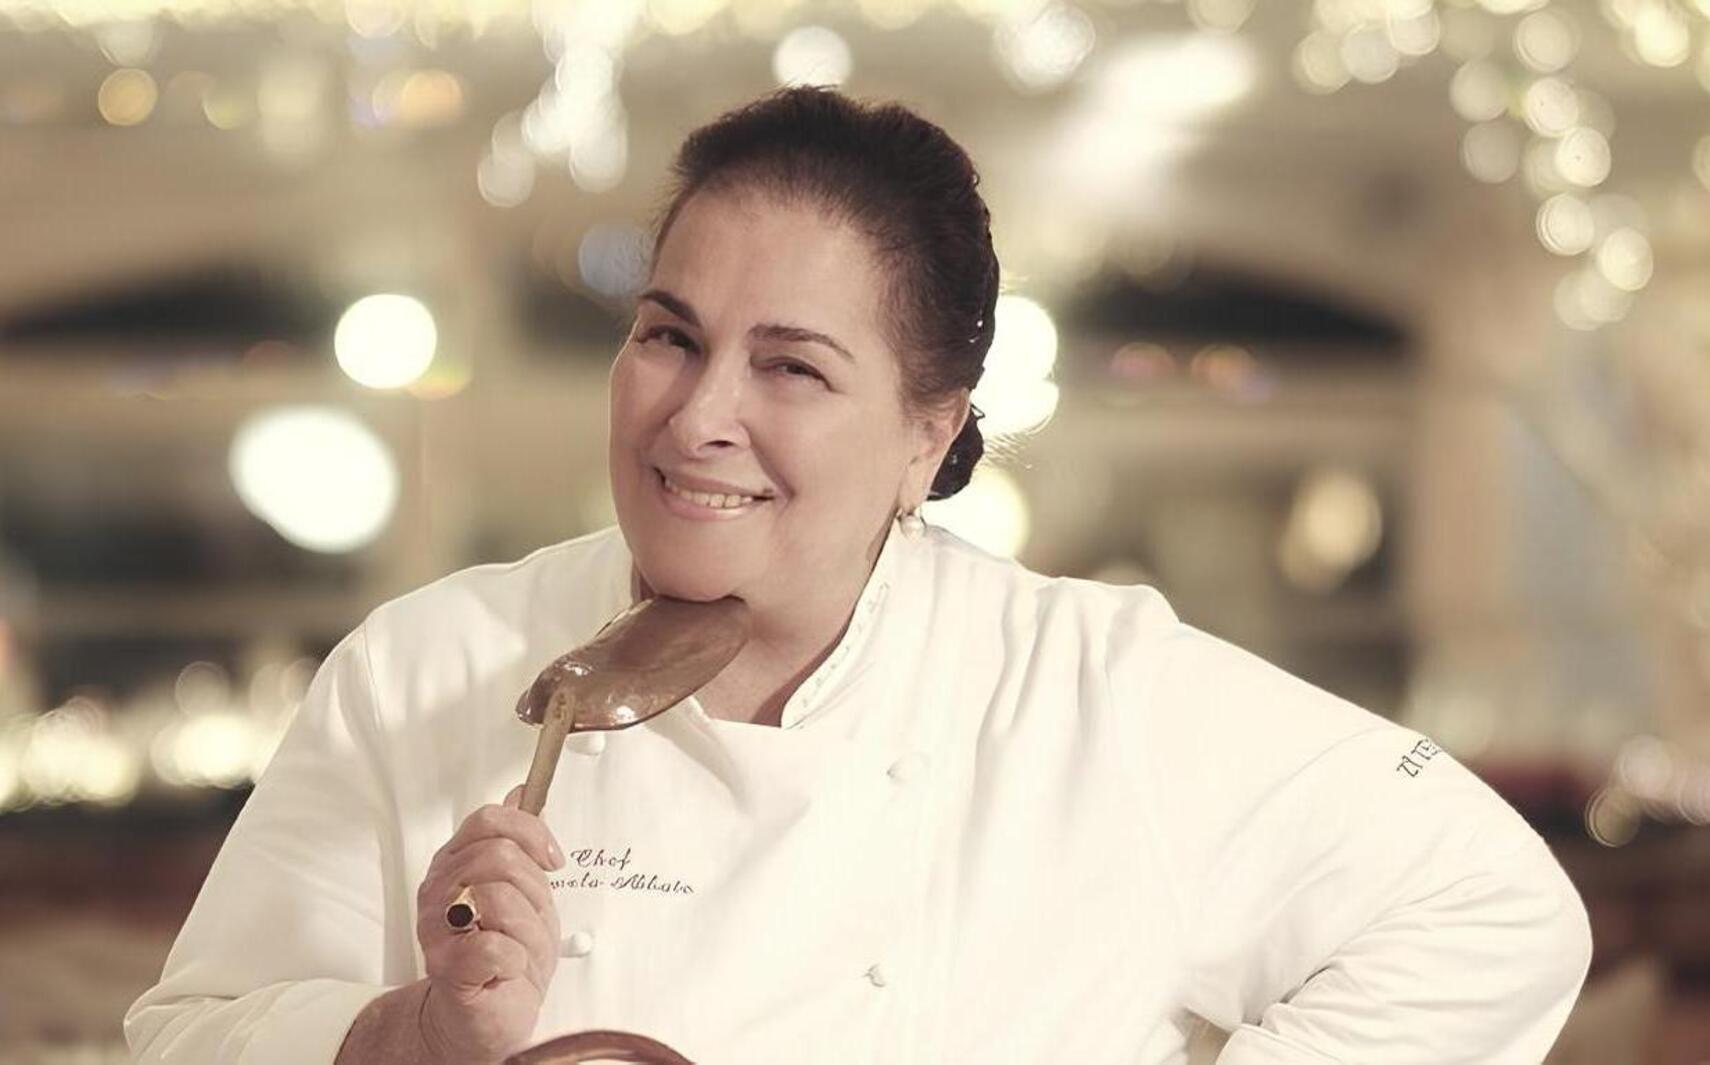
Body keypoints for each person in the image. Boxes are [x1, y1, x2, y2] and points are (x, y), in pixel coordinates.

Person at [126, 87, 1591, 1065]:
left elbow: (1489, 909)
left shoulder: (1088, 690)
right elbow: (188, 1036)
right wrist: (421, 1036)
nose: (699, 414)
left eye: (792, 367)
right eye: (669, 335)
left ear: (925, 436)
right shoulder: (428, 663)